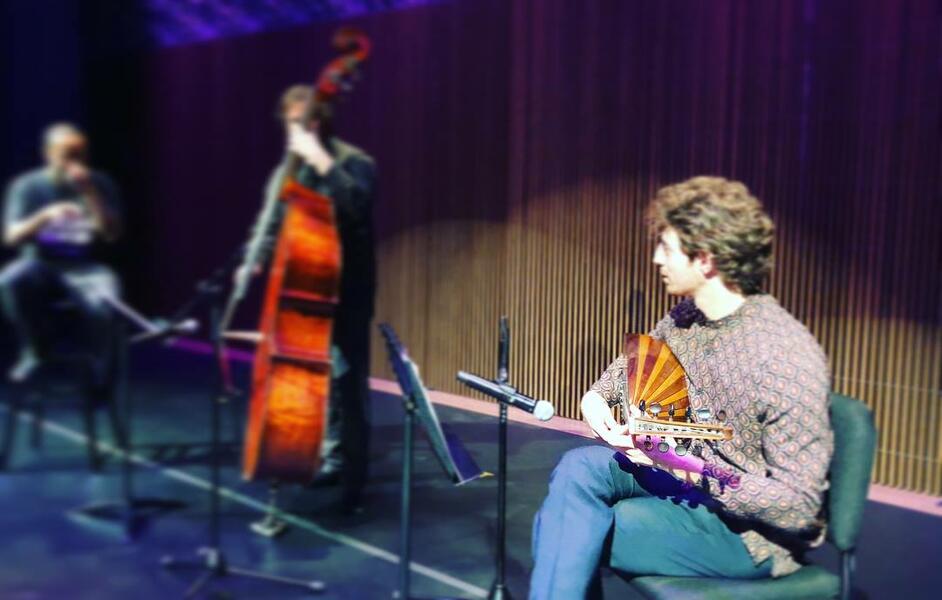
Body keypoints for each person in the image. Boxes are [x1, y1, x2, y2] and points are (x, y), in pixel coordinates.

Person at [529, 176, 833, 599]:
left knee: (568, 527)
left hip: (746, 534)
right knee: (579, 469)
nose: (657, 258)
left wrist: (681, 464)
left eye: (667, 248)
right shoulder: (687, 316)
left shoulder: (784, 355)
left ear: (705, 259)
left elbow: (799, 508)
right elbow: (629, 371)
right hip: (683, 480)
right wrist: (595, 399)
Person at [237, 85, 376, 507]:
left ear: (320, 121)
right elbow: (273, 221)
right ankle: (324, 456)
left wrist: (321, 160)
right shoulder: (288, 171)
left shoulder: (354, 162)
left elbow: (356, 206)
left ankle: (355, 478)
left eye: (303, 122)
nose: (295, 130)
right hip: (304, 291)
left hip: (347, 290)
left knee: (347, 383)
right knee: (316, 377)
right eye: (290, 123)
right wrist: (255, 258)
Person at [1, 123, 122, 383]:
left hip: (83, 267)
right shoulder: (27, 186)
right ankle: (36, 349)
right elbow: (11, 237)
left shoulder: (99, 183)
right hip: (39, 264)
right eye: (67, 156)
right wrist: (44, 216)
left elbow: (110, 234)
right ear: (49, 154)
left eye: (81, 155)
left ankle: (99, 373)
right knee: (9, 279)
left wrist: (90, 193)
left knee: (106, 299)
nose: (75, 163)